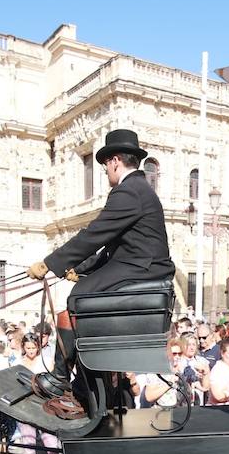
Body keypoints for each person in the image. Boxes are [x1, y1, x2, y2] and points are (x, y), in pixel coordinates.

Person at [27, 129, 174, 411]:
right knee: (80, 291)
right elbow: (112, 249)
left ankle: (60, 379)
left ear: (115, 160)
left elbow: (94, 235)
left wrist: (51, 264)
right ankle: (80, 381)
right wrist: (79, 269)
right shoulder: (138, 190)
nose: (106, 171)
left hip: (142, 270)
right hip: (136, 266)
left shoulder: (129, 191)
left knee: (76, 301)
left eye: (106, 165)